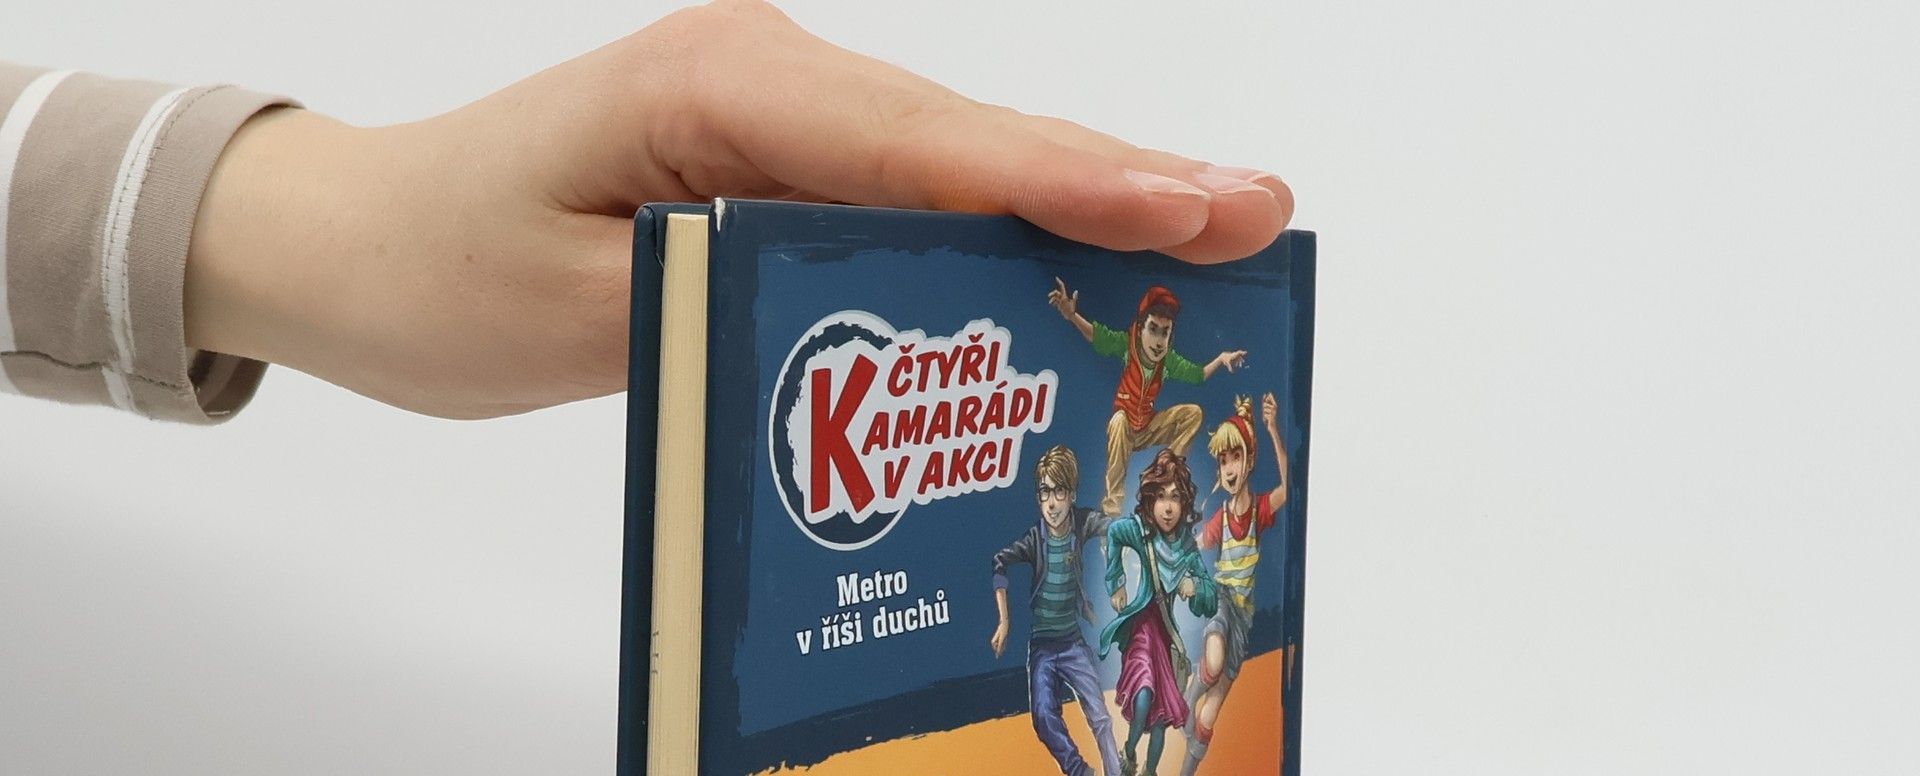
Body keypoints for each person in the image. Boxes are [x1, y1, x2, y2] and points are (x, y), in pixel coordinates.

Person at [0, 2, 1291, 426]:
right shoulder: (1128, 360)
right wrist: (335, 233)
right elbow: (1108, 336)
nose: (1156, 334)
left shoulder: (1162, 370)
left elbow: (1169, 364)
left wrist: (316, 223)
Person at [1172, 391, 1290, 776]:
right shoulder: (1219, 518)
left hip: (1243, 618)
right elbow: (1194, 545)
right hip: (1220, 602)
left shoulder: (1258, 512)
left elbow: (1288, 488)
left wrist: (1273, 429)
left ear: (1248, 461)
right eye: (1222, 461)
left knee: (1211, 714)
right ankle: (1182, 709)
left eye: (1234, 458)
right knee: (1213, 658)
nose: (1227, 468)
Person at [988, 446, 1123, 776]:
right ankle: (1081, 774)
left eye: (1059, 492)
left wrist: (1115, 569)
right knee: (1044, 717)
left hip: (1073, 642)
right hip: (1043, 648)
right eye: (1044, 492)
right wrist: (1005, 620)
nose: (1051, 502)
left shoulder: (1081, 523)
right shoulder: (1034, 540)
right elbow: (999, 562)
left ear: (1072, 495)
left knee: (1099, 715)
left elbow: (1115, 528)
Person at [1046, 278, 1250, 515]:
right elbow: (1097, 336)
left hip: (1147, 426)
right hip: (1123, 430)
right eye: (1153, 329)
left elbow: (1199, 374)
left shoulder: (1168, 361)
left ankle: (1165, 477)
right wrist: (1072, 316)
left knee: (1193, 413)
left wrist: (1221, 358)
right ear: (1140, 328)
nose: (1158, 341)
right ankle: (1111, 510)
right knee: (1118, 421)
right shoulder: (1127, 344)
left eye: (1165, 333)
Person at [1099, 448, 1216, 776]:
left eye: (1176, 497)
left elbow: (1208, 598)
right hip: (1141, 631)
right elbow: (1115, 534)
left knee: (1164, 719)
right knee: (1144, 698)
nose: (1168, 507)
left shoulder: (1186, 548)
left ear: (1185, 503)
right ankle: (1126, 767)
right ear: (1150, 498)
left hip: (1166, 640)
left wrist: (1193, 586)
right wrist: (1115, 583)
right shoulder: (1140, 530)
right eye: (1161, 496)